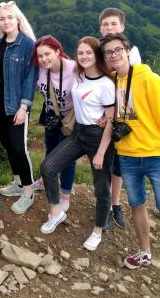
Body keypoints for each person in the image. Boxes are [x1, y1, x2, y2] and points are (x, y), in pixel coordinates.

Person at [100, 33, 160, 293]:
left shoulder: (148, 79)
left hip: (155, 155)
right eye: (108, 52)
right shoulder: (113, 81)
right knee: (137, 206)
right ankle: (144, 252)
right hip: (127, 155)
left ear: (128, 50)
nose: (114, 55)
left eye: (118, 50)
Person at [39, 37, 114, 252]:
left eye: (89, 52)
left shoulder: (106, 84)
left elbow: (111, 121)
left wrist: (101, 153)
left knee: (101, 188)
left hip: (98, 137)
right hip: (78, 132)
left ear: (97, 55)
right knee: (48, 167)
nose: (84, 56)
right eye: (80, 53)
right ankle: (56, 212)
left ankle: (97, 230)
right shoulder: (78, 76)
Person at [0, 1, 37, 214]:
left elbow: (30, 78)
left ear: (17, 19)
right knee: (7, 143)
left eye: (9, 17)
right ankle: (17, 183)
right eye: (2, 18)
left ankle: (28, 192)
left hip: (16, 104)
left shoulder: (28, 44)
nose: (6, 22)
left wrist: (24, 107)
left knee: (18, 147)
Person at [99, 7, 142, 230]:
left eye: (113, 24)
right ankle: (105, 205)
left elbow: (133, 85)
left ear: (122, 27)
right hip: (102, 114)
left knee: (118, 164)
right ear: (100, 28)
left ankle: (115, 204)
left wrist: (122, 117)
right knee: (104, 162)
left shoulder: (131, 52)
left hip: (123, 115)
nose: (109, 28)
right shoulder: (98, 51)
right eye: (105, 24)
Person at [31, 35, 77, 213]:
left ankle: (65, 194)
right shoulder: (41, 69)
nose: (44, 59)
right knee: (50, 150)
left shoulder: (73, 68)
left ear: (58, 52)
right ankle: (45, 181)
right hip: (51, 115)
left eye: (48, 54)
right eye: (40, 55)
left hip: (70, 118)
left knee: (67, 158)